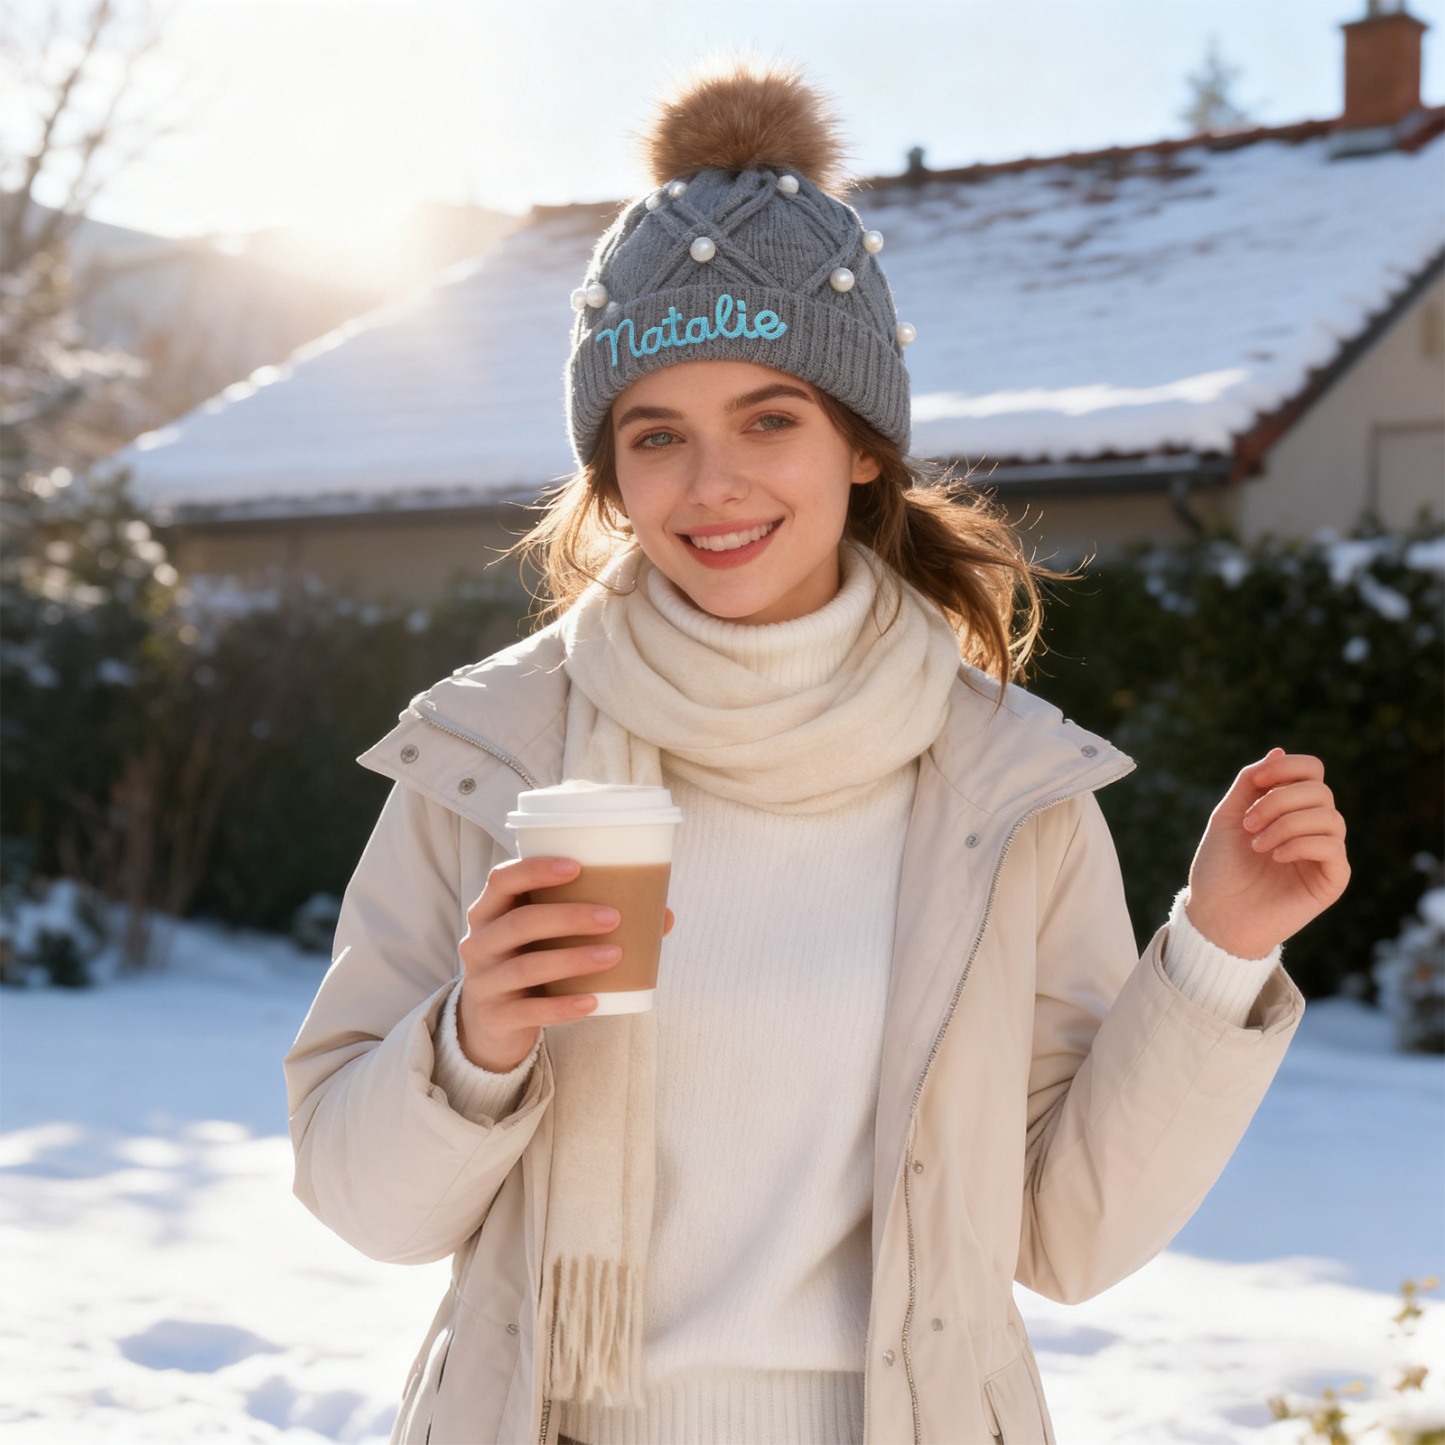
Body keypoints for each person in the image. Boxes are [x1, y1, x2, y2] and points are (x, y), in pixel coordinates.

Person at [284, 62, 1349, 1445]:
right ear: (611, 476)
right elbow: (363, 1201)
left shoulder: (1002, 786)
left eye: (768, 419)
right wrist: (475, 1038)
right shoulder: (493, 750)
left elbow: (1064, 1229)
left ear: (861, 445)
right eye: (654, 435)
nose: (710, 483)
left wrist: (1220, 947)